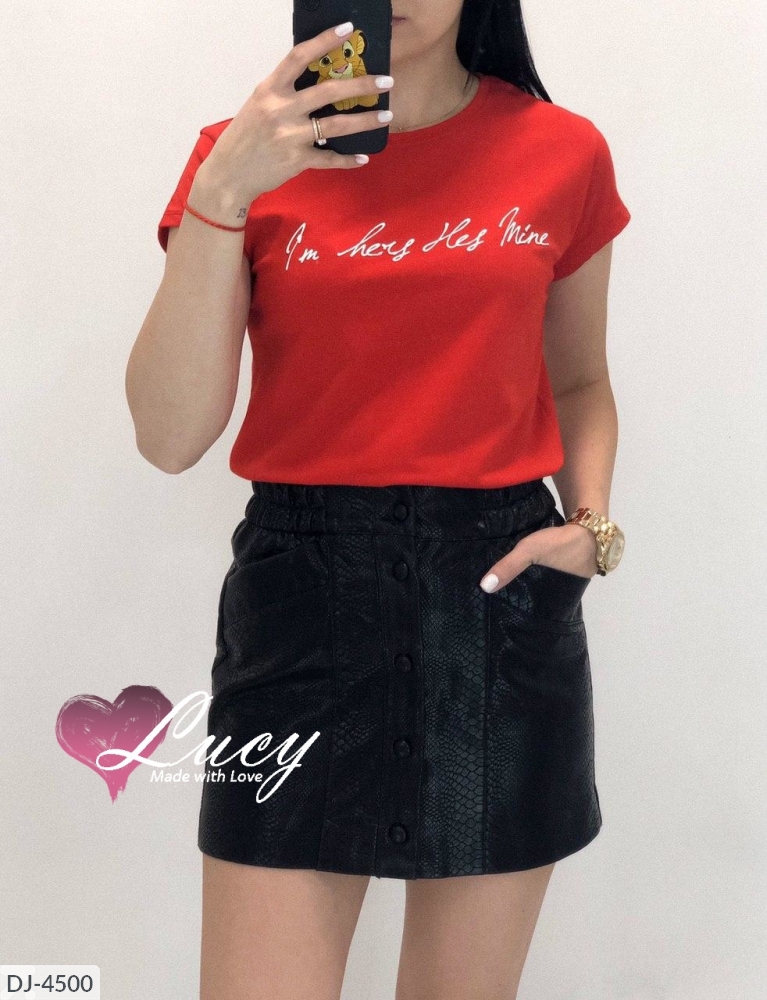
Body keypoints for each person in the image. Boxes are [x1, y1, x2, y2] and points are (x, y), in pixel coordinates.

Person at [126, 2, 631, 998]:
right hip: (300, 613)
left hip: (496, 605)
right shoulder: (239, 156)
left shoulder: (560, 150)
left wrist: (590, 528)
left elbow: (578, 381)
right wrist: (223, 190)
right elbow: (169, 436)